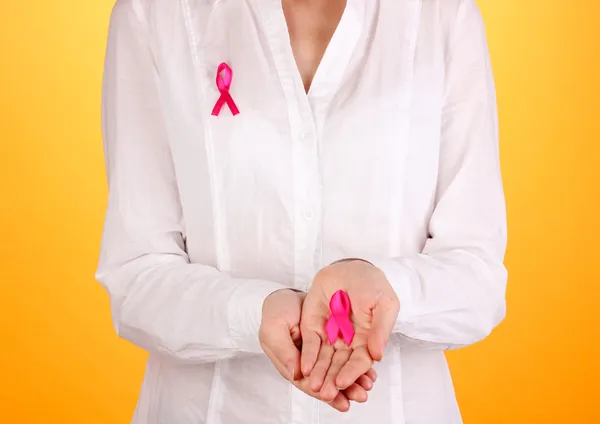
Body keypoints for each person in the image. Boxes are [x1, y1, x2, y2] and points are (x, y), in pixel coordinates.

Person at [95, 0, 508, 422]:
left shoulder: (443, 15)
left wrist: (388, 287)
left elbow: (479, 275)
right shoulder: (155, 14)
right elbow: (137, 275)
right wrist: (253, 311)